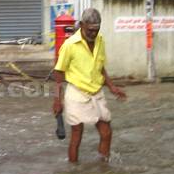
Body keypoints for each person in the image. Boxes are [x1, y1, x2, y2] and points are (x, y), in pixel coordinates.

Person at [52, 8, 127, 163]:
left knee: (106, 133)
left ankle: (103, 167)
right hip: (76, 92)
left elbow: (100, 67)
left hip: (96, 91)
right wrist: (57, 100)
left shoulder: (100, 40)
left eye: (96, 30)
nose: (93, 34)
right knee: (77, 135)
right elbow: (59, 73)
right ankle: (73, 171)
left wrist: (112, 87)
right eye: (90, 30)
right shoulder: (70, 45)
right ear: (82, 25)